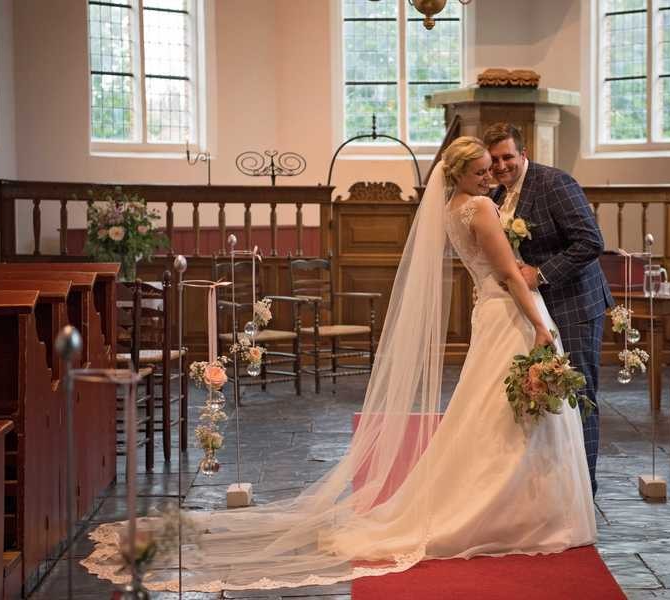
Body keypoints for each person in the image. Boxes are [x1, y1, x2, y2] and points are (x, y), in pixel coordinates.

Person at [81, 137, 595, 593]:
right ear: (460, 173)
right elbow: (510, 276)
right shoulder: (480, 208)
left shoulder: (453, 208)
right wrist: (542, 326)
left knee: (490, 411)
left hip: (491, 315)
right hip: (509, 313)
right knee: (504, 412)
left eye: (491, 169)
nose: (490, 177)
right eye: (481, 170)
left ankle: (512, 502)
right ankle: (513, 508)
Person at [484, 123, 613, 496]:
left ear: (524, 154)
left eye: (508, 157)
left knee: (579, 395)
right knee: (547, 394)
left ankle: (585, 491)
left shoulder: (554, 183)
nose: (501, 166)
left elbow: (591, 241)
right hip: (535, 310)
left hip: (574, 304)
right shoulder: (497, 194)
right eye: (494, 160)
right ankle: (556, 489)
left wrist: (540, 274)